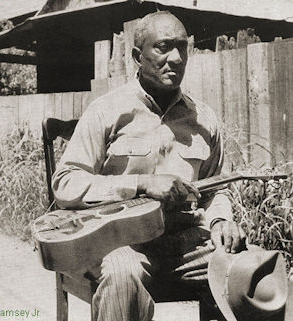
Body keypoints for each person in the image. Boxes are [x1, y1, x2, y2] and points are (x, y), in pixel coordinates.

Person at [52, 11, 246, 321]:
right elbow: (66, 183)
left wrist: (221, 221)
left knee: (251, 270)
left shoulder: (204, 119)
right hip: (120, 243)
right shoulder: (106, 111)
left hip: (186, 243)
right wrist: (140, 183)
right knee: (122, 274)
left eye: (183, 47)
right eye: (164, 47)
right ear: (136, 56)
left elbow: (215, 188)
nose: (177, 58)